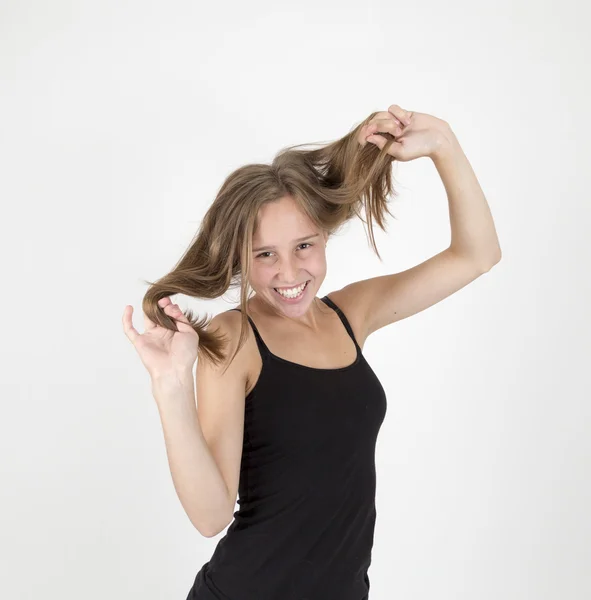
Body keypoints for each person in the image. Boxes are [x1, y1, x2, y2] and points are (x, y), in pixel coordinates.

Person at [122, 104, 501, 599]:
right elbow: (210, 515)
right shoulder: (234, 339)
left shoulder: (351, 315)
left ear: (324, 236)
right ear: (240, 258)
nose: (288, 272)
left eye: (304, 246)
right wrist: (170, 388)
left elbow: (477, 254)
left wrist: (445, 145)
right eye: (264, 255)